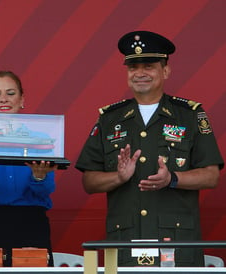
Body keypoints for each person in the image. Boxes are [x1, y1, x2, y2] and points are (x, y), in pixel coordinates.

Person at [75, 31, 224, 267]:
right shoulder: (109, 119)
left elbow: (211, 175)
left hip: (176, 244)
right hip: (124, 242)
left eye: (149, 66)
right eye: (133, 67)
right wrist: (119, 177)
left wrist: (172, 178)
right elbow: (89, 181)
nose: (140, 73)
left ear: (165, 71)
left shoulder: (190, 115)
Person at [0, 71, 57, 266]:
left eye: (11, 93)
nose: (3, 99)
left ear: (22, 99)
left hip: (31, 224)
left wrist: (38, 178)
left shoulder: (41, 140)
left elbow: (46, 190)